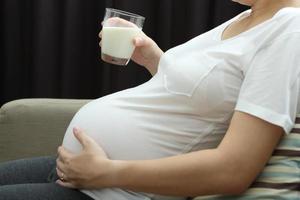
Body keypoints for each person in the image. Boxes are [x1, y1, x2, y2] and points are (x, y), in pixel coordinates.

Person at [1, 0, 300, 199]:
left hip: (114, 190)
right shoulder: (249, 16)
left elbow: (234, 169)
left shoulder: (290, 28)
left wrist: (106, 172)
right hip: (83, 173)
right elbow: (204, 98)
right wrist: (153, 58)